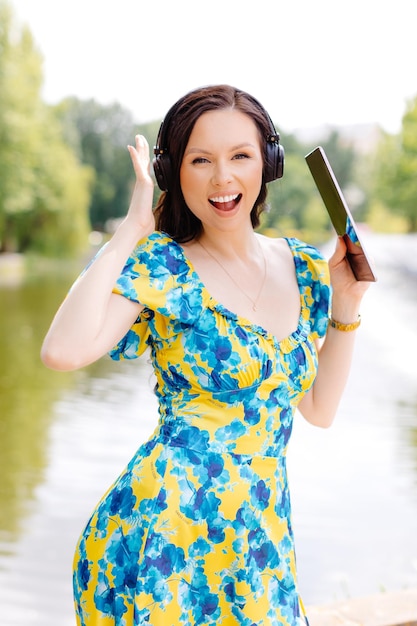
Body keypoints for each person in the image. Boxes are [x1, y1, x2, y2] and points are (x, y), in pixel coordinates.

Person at [41, 84, 370, 626]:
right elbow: (62, 351)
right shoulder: (163, 267)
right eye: (201, 160)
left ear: (268, 162)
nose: (223, 178)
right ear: (173, 173)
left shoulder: (307, 268)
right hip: (165, 535)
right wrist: (130, 231)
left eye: (240, 156)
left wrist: (348, 303)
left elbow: (318, 410)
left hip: (260, 539)